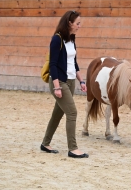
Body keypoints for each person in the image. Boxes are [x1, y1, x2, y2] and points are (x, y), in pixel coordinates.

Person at [40, 10, 89, 158]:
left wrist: (81, 80)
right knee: (72, 112)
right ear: (69, 23)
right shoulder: (57, 39)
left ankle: (45, 143)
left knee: (58, 113)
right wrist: (57, 86)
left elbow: (73, 62)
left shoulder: (72, 39)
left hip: (71, 81)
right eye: (77, 23)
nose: (79, 26)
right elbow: (53, 65)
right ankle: (73, 148)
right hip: (59, 81)